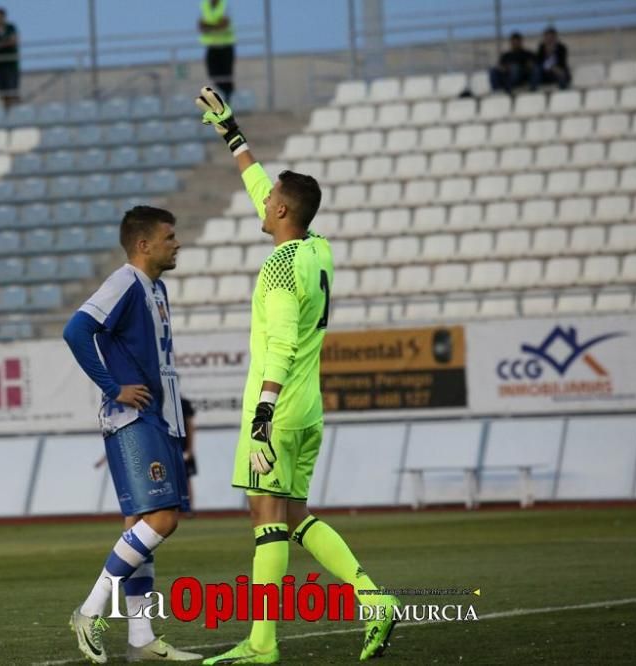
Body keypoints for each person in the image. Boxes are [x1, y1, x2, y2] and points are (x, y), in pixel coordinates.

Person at [195, 87, 400, 664]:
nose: (262, 207)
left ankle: (262, 645)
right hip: (310, 406)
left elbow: (282, 344)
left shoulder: (281, 266)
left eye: (269, 204)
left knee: (266, 518)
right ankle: (371, 596)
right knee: (293, 512)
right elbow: (270, 192)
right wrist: (233, 136)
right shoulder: (318, 249)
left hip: (279, 410)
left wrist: (260, 417)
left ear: (283, 213)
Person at [62, 206, 201, 664]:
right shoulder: (124, 281)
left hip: (156, 419)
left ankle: (140, 638)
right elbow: (77, 330)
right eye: (169, 236)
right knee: (163, 520)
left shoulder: (156, 288)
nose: (176, 243)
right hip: (130, 419)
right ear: (144, 244)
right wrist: (113, 387)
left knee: (139, 527)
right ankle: (89, 610)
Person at [199, 0, 236, 98]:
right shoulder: (205, 5)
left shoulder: (225, 5)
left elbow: (224, 24)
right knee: (213, 74)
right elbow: (201, 26)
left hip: (226, 46)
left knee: (226, 75)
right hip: (212, 47)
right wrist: (215, 25)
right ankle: (228, 94)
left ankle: (229, 97)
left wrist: (209, 26)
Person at [0, 6, 20, 108]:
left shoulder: (11, 27)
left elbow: (14, 41)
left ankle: (13, 110)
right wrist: (5, 43)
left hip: (11, 64)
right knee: (2, 92)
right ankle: (7, 110)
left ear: (4, 17)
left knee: (11, 90)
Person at [180, 396, 198, 513]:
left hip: (183, 446)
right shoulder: (161, 401)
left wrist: (190, 448)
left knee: (186, 477)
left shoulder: (184, 403)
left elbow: (190, 426)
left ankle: (188, 508)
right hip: (169, 447)